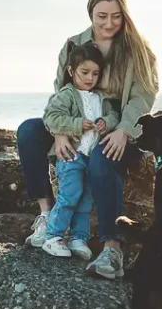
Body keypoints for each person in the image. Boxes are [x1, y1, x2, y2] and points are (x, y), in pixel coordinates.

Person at [16, 0, 158, 279]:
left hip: (113, 128)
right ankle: (47, 214)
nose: (109, 23)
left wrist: (123, 130)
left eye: (116, 16)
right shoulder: (73, 45)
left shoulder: (137, 50)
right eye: (101, 16)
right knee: (28, 131)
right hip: (74, 126)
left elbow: (142, 95)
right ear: (90, 13)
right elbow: (60, 92)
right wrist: (59, 132)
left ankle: (111, 247)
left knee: (101, 159)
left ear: (125, 15)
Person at [39, 41, 120, 261]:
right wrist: (76, 124)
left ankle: (78, 238)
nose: (89, 78)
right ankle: (53, 236)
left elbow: (114, 115)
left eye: (95, 73)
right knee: (70, 195)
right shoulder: (67, 94)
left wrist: (106, 121)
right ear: (71, 71)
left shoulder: (100, 97)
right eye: (84, 72)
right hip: (71, 156)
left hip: (90, 157)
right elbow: (52, 117)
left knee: (86, 200)